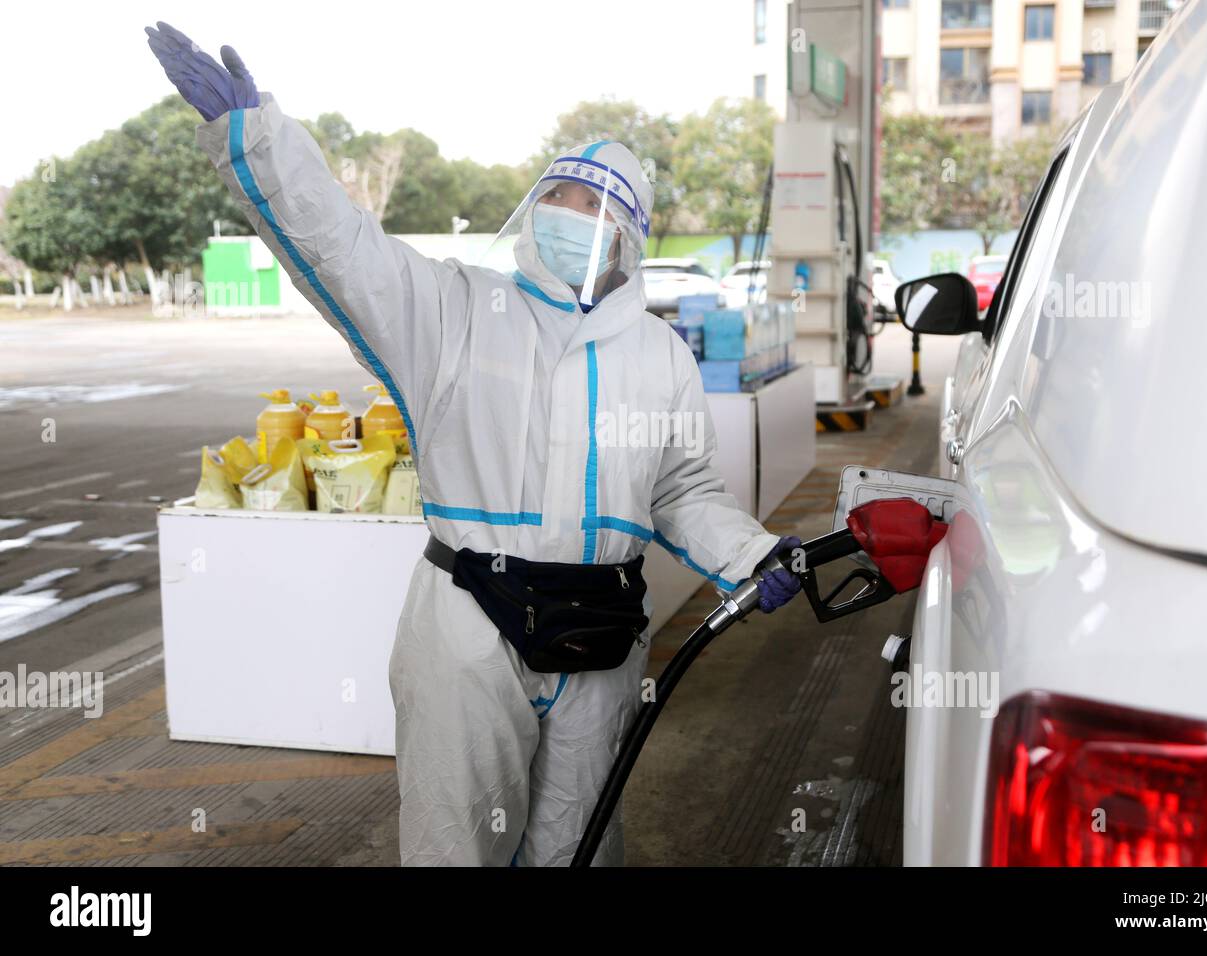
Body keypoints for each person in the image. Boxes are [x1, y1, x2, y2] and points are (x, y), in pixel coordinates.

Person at [146, 22, 803, 866]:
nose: (571, 214)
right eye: (559, 194)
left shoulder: (660, 355)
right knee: (455, 843)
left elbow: (682, 491)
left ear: (630, 236)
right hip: (469, 629)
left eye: (596, 204)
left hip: (601, 638)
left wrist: (751, 553)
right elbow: (343, 250)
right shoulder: (453, 311)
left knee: (582, 843)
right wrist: (259, 142)